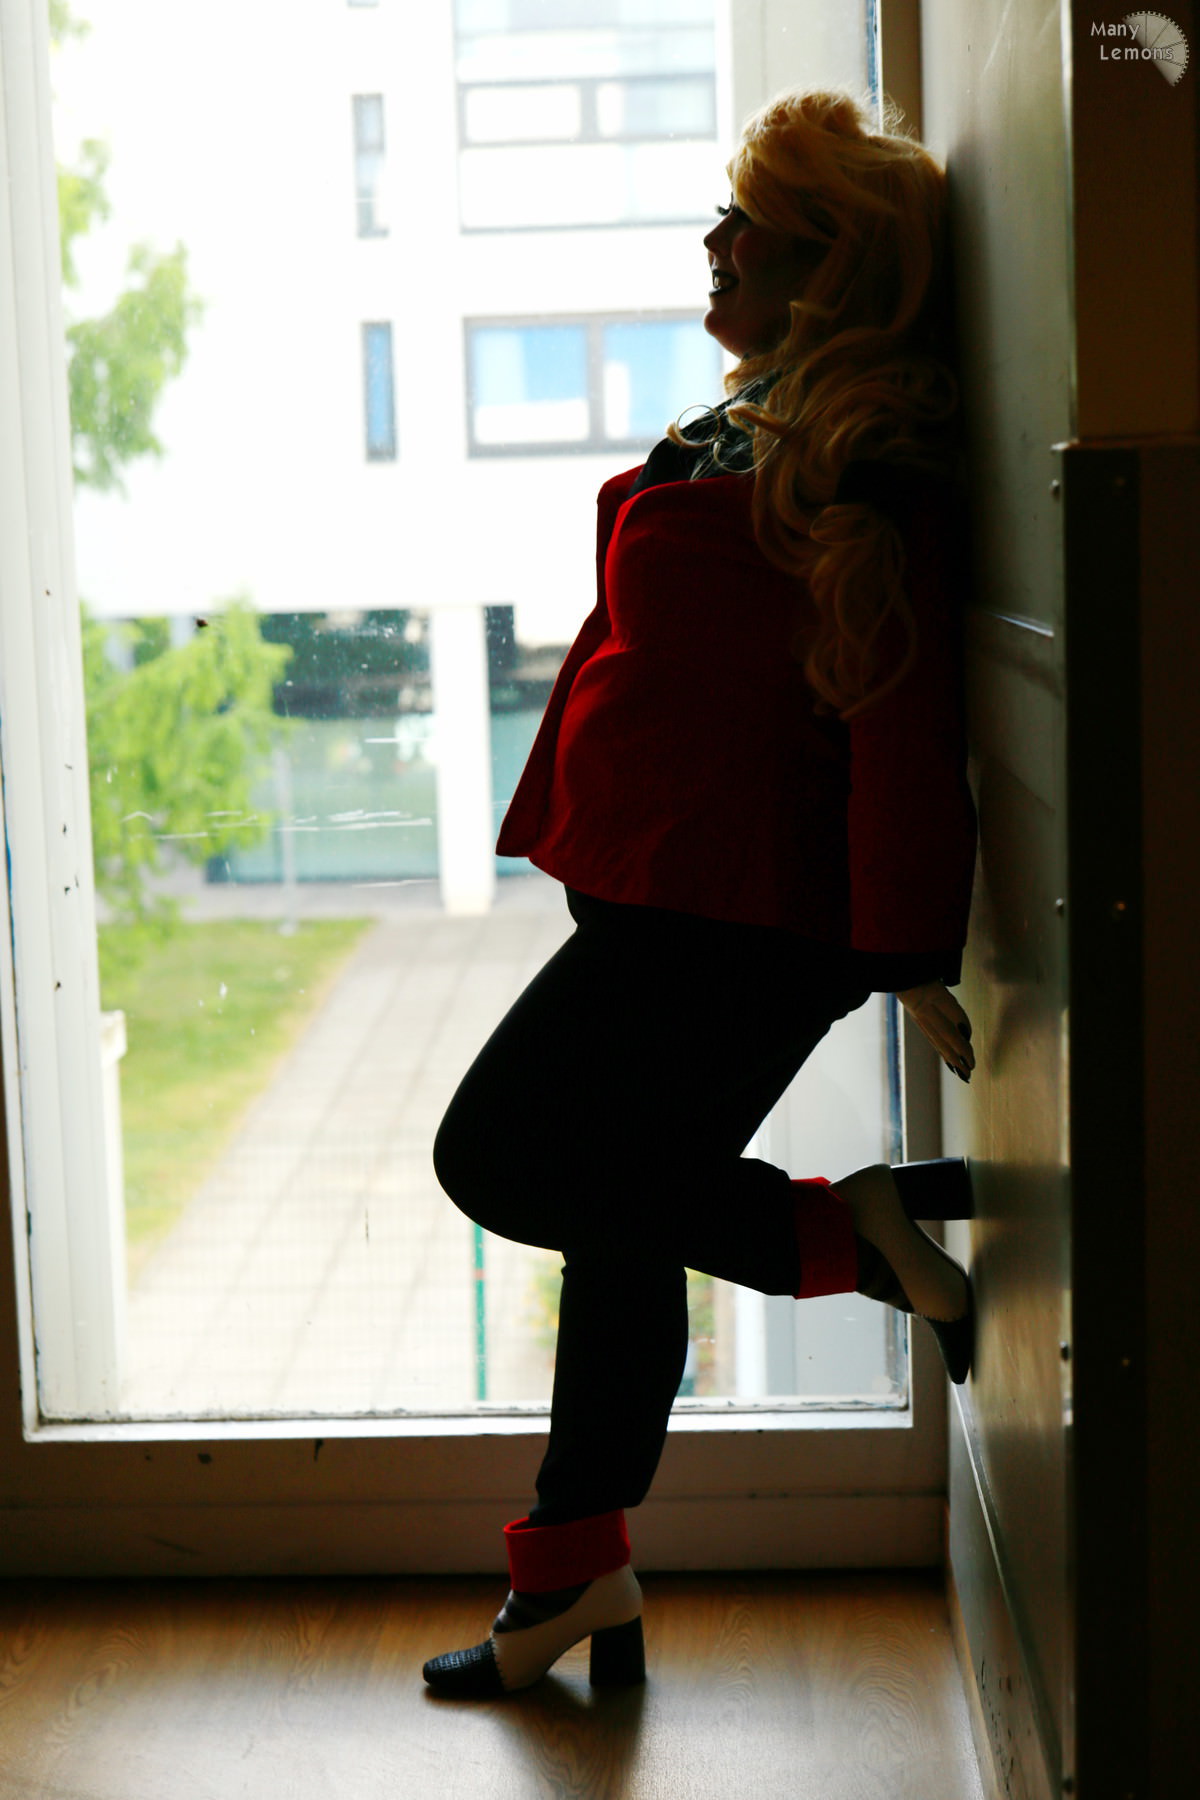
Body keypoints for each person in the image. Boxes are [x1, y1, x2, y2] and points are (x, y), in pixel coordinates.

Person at [423, 88, 978, 1700]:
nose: (717, 240)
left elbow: (902, 707)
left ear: (831, 260)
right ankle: (569, 1577)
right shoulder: (753, 418)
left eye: (754, 222)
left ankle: (853, 1235)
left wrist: (906, 946)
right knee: (618, 1212)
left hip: (746, 915)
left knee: (503, 1154)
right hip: (663, 887)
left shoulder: (869, 447)